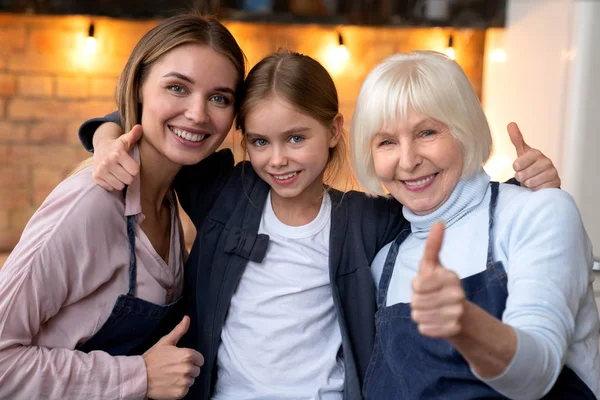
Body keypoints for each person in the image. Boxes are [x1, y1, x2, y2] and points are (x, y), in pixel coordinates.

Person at [80, 52, 561, 399]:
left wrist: (518, 187)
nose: (278, 159)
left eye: (296, 137)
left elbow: (439, 200)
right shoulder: (225, 192)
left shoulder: (366, 218)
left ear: (332, 131)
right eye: (261, 142)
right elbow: (163, 128)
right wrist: (105, 137)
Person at [0, 13, 246, 400]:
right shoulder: (91, 204)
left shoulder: (174, 194)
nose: (198, 114)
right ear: (138, 89)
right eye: (177, 88)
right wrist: (138, 376)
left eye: (219, 98)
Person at [351, 51, 600, 399]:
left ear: (465, 130)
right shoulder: (382, 268)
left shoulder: (538, 214)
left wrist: (465, 323)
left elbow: (536, 375)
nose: (407, 161)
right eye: (387, 142)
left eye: (427, 132)